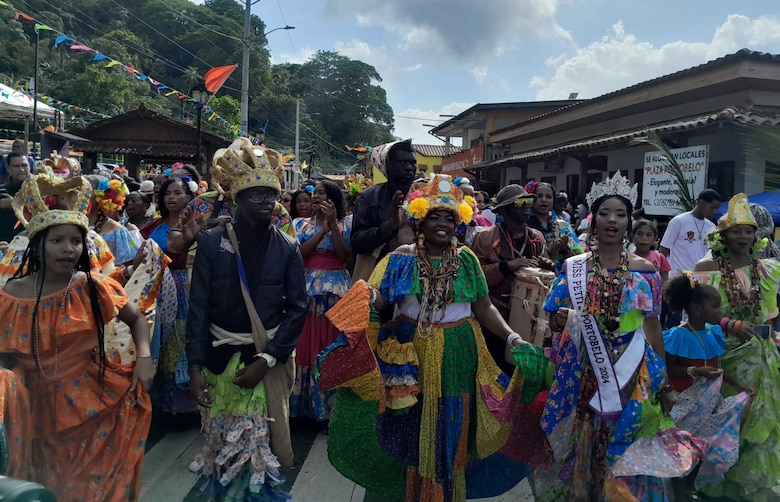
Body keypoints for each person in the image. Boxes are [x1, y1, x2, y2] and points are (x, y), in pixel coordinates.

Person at [318, 174, 545, 501]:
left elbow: (483, 307)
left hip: (460, 354)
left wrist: (512, 339)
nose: (442, 224)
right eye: (433, 217)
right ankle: (413, 492)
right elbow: (384, 300)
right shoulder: (401, 258)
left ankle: (445, 493)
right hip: (412, 355)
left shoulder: (466, 260)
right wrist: (368, 295)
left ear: (458, 223)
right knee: (412, 425)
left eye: (449, 218)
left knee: (453, 425)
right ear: (420, 220)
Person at [539, 172, 703, 500]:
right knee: (589, 437)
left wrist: (663, 383)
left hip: (633, 371)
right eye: (604, 213)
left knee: (626, 440)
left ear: (629, 223)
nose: (612, 220)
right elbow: (552, 316)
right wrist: (563, 320)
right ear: (593, 220)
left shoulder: (645, 270)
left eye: (621, 214)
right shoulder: (575, 267)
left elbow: (652, 325)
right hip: (588, 369)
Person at [0, 174, 155, 500]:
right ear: (38, 244)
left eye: (75, 241)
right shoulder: (9, 296)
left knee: (90, 488)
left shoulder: (91, 286)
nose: (68, 249)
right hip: (31, 409)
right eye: (57, 240)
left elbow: (137, 319)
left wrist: (143, 357)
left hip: (94, 400)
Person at [185, 144, 306, 498]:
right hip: (219, 361)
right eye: (257, 195)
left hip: (265, 360)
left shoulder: (288, 247)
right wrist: (194, 367)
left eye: (271, 195)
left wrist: (267, 359)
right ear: (237, 199)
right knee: (223, 447)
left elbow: (297, 309)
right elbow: (198, 308)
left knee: (265, 451)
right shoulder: (210, 243)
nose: (267, 202)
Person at [693, 193, 780, 501]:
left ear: (756, 235)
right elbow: (695, 314)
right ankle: (719, 483)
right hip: (725, 356)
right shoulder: (706, 266)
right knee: (727, 420)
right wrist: (729, 324)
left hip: (762, 358)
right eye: (736, 230)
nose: (743, 236)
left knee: (761, 423)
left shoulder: (768, 269)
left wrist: (771, 342)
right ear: (724, 235)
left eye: (748, 231)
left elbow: (771, 315)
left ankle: (747, 487)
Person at [662, 274, 752, 498]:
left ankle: (693, 485)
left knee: (706, 445)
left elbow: (717, 367)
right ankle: (680, 490)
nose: (720, 312)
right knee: (683, 448)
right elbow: (669, 369)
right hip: (685, 403)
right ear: (696, 310)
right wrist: (696, 372)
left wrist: (740, 385)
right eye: (715, 307)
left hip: (709, 402)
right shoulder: (678, 335)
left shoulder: (713, 332)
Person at [471, 184, 554, 371]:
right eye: (520, 203)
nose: (527, 207)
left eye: (528, 202)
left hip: (529, 313)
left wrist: (548, 267)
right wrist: (505, 267)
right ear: (505, 209)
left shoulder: (537, 237)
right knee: (497, 367)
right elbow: (474, 278)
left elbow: (547, 275)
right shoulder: (485, 238)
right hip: (495, 315)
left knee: (524, 369)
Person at [291, 180, 352, 422]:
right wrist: (322, 232)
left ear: (334, 200)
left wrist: (334, 227)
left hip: (336, 289)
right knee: (305, 343)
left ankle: (328, 410)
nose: (316, 197)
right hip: (306, 287)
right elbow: (300, 254)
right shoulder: (299, 224)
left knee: (329, 342)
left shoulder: (346, 224)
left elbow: (344, 256)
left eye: (322, 194)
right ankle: (302, 407)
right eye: (314, 193)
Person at [141, 177, 198, 416]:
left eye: (177, 193)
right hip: (154, 286)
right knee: (157, 339)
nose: (171, 197)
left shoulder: (196, 225)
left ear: (188, 197)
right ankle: (157, 399)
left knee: (179, 338)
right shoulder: (153, 226)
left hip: (183, 284)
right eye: (167, 193)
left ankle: (182, 404)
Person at [350, 140, 417, 281]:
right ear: (388, 165)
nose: (409, 168)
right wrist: (390, 226)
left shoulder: (426, 196)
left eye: (412, 163)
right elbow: (357, 243)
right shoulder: (368, 197)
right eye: (403, 162)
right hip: (377, 279)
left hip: (417, 279)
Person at [659, 189, 722, 278]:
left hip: (701, 277)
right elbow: (663, 249)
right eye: (712, 207)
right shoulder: (678, 221)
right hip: (679, 277)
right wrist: (662, 275)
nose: (715, 212)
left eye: (716, 209)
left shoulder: (711, 226)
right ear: (701, 203)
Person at [525, 180, 582, 271]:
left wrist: (565, 250)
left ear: (553, 201)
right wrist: (550, 250)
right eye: (539, 196)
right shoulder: (525, 228)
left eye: (548, 197)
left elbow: (579, 261)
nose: (543, 200)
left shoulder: (563, 226)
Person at [0, 152, 33, 243]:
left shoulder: (40, 188)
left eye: (24, 165)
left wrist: (15, 204)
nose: (21, 169)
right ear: (8, 168)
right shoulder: (3, 190)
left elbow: (45, 209)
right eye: (16, 166)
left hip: (32, 241)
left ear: (29, 167)